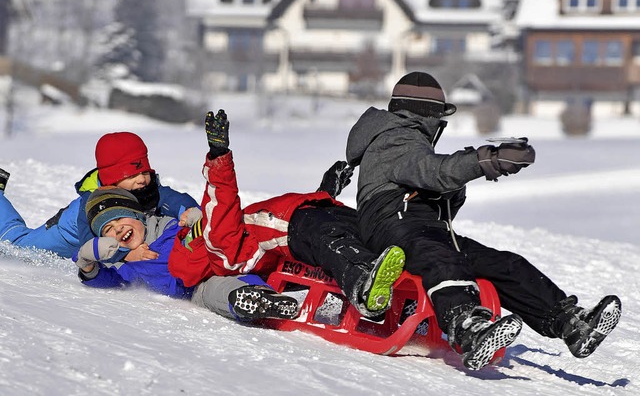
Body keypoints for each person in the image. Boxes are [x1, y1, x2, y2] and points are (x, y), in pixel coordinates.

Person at [345, 71, 622, 370]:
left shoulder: (405, 138)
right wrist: (484, 161)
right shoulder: (395, 136)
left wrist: (460, 179)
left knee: (503, 264)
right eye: (438, 115)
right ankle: (468, 328)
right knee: (439, 259)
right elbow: (431, 171)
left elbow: (433, 183)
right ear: (426, 114)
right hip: (391, 223)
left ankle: (570, 323)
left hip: (420, 227)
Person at [167, 110, 407, 319]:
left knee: (369, 232)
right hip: (294, 223)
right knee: (335, 239)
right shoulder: (222, 248)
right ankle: (363, 286)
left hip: (304, 218)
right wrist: (219, 155)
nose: (200, 228)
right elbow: (222, 202)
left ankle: (408, 293)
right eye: (195, 234)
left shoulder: (231, 249)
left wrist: (326, 191)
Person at [74, 187, 298, 321]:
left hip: (216, 264)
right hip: (196, 289)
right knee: (215, 292)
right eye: (108, 230)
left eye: (120, 219)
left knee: (236, 260)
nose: (118, 229)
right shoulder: (127, 266)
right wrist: (86, 262)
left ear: (138, 215)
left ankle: (294, 248)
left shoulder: (171, 227)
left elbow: (210, 234)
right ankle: (256, 300)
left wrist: (198, 220)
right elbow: (106, 281)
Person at [0, 131, 199, 260]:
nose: (141, 179)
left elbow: (172, 199)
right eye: (132, 175)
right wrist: (124, 256)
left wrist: (189, 211)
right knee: (17, 243)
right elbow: (90, 241)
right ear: (113, 179)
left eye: (145, 172)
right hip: (69, 234)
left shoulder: (143, 188)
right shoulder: (92, 203)